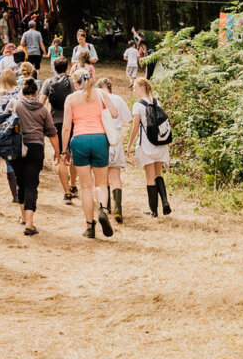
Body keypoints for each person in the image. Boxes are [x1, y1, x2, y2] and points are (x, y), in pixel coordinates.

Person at [61, 73, 119, 239]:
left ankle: (89, 226)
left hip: (79, 140)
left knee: (86, 186)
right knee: (101, 182)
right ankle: (102, 209)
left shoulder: (71, 99)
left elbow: (66, 127)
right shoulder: (100, 94)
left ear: (76, 82)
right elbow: (114, 114)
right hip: (100, 139)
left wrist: (64, 151)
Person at [9, 77, 61, 235]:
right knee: (32, 184)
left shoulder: (14, 104)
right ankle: (29, 224)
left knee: (20, 181)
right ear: (37, 92)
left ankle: (23, 216)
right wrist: (58, 152)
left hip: (17, 147)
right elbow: (52, 133)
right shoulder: (43, 109)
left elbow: (3, 125)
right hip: (36, 148)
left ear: (22, 90)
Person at [127, 76, 172, 217]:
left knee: (150, 178)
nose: (133, 90)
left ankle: (154, 211)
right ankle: (165, 201)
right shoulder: (157, 102)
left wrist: (129, 145)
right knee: (158, 175)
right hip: (161, 144)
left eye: (134, 87)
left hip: (147, 145)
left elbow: (135, 128)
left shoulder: (138, 105)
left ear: (141, 88)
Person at [40, 57, 75, 203]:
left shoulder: (48, 82)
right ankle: (73, 185)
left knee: (60, 156)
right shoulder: (72, 82)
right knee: (73, 155)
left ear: (54, 68)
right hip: (72, 122)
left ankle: (66, 192)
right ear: (67, 68)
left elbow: (41, 103)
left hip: (55, 123)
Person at [100, 77, 132, 224]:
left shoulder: (97, 99)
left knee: (102, 175)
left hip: (102, 137)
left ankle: (105, 207)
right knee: (115, 175)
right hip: (116, 138)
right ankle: (118, 207)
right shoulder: (118, 99)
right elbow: (128, 119)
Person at [0, 68, 23, 206]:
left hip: (5, 130)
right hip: (19, 126)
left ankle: (15, 194)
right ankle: (22, 187)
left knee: (9, 161)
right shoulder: (20, 90)